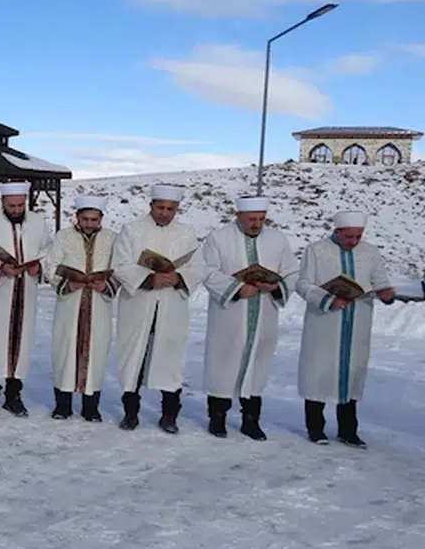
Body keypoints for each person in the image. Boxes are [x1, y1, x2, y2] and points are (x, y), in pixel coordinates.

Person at [199, 196, 299, 441]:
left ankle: (251, 420)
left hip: (264, 313)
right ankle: (217, 418)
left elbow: (292, 271)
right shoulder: (218, 238)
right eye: (252, 219)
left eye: (261, 219)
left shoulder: (277, 239)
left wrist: (275, 286)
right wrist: (237, 288)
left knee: (258, 365)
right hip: (229, 316)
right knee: (223, 365)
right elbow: (207, 271)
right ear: (239, 216)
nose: (257, 224)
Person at [111, 183, 208, 433]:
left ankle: (169, 416)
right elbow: (120, 264)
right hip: (139, 304)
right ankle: (131, 413)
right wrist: (148, 279)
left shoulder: (186, 233)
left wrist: (179, 278)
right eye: (160, 207)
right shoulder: (131, 230)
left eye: (170, 209)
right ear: (151, 205)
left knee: (170, 360)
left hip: (171, 305)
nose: (165, 213)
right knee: (133, 359)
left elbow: (199, 267)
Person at [295, 210, 394, 447]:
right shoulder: (316, 250)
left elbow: (380, 280)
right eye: (349, 236)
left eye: (358, 236)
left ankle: (348, 431)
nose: (354, 241)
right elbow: (303, 284)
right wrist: (328, 299)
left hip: (358, 321)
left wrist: (386, 293)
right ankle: (315, 429)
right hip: (325, 323)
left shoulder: (370, 252)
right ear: (337, 231)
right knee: (319, 374)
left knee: (351, 375)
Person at [0, 181, 51, 417]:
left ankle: (13, 396)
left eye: (20, 205)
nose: (16, 210)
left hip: (26, 290)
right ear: (2, 202)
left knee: (21, 343)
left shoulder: (38, 223)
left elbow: (48, 250)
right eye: (11, 206)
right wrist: (0, 268)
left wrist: (39, 266)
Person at [43, 195, 118, 422]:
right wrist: (67, 283)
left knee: (96, 353)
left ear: (101, 218)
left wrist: (107, 285)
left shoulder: (112, 238)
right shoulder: (63, 236)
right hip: (70, 303)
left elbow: (121, 267)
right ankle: (62, 405)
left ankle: (90, 407)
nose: (89, 224)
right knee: (65, 351)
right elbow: (51, 264)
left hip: (99, 304)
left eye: (94, 220)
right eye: (85, 219)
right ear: (77, 217)